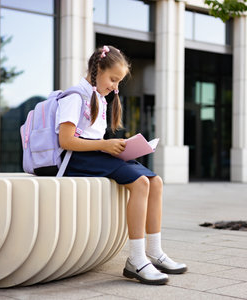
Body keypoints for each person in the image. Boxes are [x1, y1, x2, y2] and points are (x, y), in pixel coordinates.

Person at [56, 45, 187, 285]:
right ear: (97, 70)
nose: (115, 87)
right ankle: (136, 260)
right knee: (139, 182)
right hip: (76, 159)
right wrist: (105, 145)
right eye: (113, 79)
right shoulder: (75, 97)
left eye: (119, 82)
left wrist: (116, 145)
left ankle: (155, 252)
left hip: (94, 154)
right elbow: (66, 141)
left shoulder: (99, 98)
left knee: (155, 181)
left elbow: (95, 140)